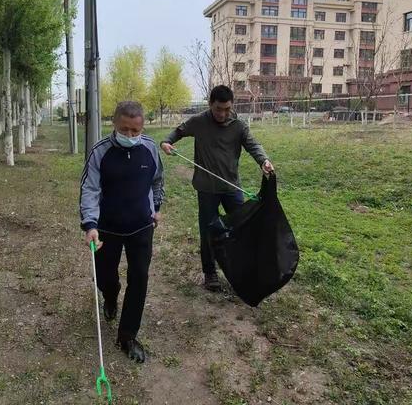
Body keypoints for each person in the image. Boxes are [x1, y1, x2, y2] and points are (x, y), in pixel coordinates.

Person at [160, 85, 273, 291]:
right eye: (218, 109)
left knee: (240, 228)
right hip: (206, 189)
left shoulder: (239, 125)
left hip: (232, 188)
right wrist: (166, 142)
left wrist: (263, 160)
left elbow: (253, 145)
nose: (222, 114)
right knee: (208, 231)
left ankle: (242, 269)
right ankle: (210, 273)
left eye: (226, 109)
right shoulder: (199, 122)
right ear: (210, 104)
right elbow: (178, 131)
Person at [80, 101, 164, 363]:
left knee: (139, 278)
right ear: (114, 124)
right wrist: (90, 225)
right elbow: (90, 189)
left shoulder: (150, 148)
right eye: (124, 129)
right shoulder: (100, 152)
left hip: (141, 226)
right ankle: (110, 293)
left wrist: (156, 207)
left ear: (142, 127)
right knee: (106, 277)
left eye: (135, 131)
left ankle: (127, 335)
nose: (130, 136)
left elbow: (158, 179)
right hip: (107, 229)